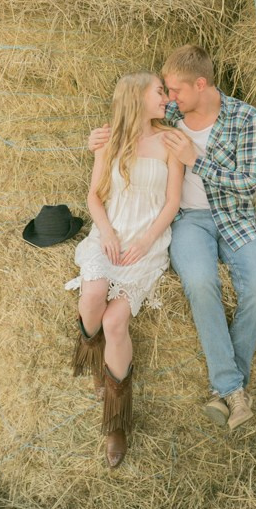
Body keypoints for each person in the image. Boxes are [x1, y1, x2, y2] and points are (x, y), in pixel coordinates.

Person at [89, 45, 256, 432]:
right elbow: (132, 123)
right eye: (165, 91)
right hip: (189, 221)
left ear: (200, 84)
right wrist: (98, 140)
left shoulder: (245, 118)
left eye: (175, 90)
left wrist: (196, 160)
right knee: (201, 284)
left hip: (236, 219)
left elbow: (250, 184)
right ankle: (234, 391)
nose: (169, 98)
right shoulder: (170, 114)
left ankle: (226, 388)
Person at [66, 71, 184, 468]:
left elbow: (172, 202)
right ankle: (93, 356)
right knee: (93, 295)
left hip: (146, 244)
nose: (166, 98)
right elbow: (94, 196)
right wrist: (106, 233)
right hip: (110, 235)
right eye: (159, 92)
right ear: (136, 97)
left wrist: (146, 241)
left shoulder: (170, 141)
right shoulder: (109, 140)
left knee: (115, 321)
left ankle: (116, 421)